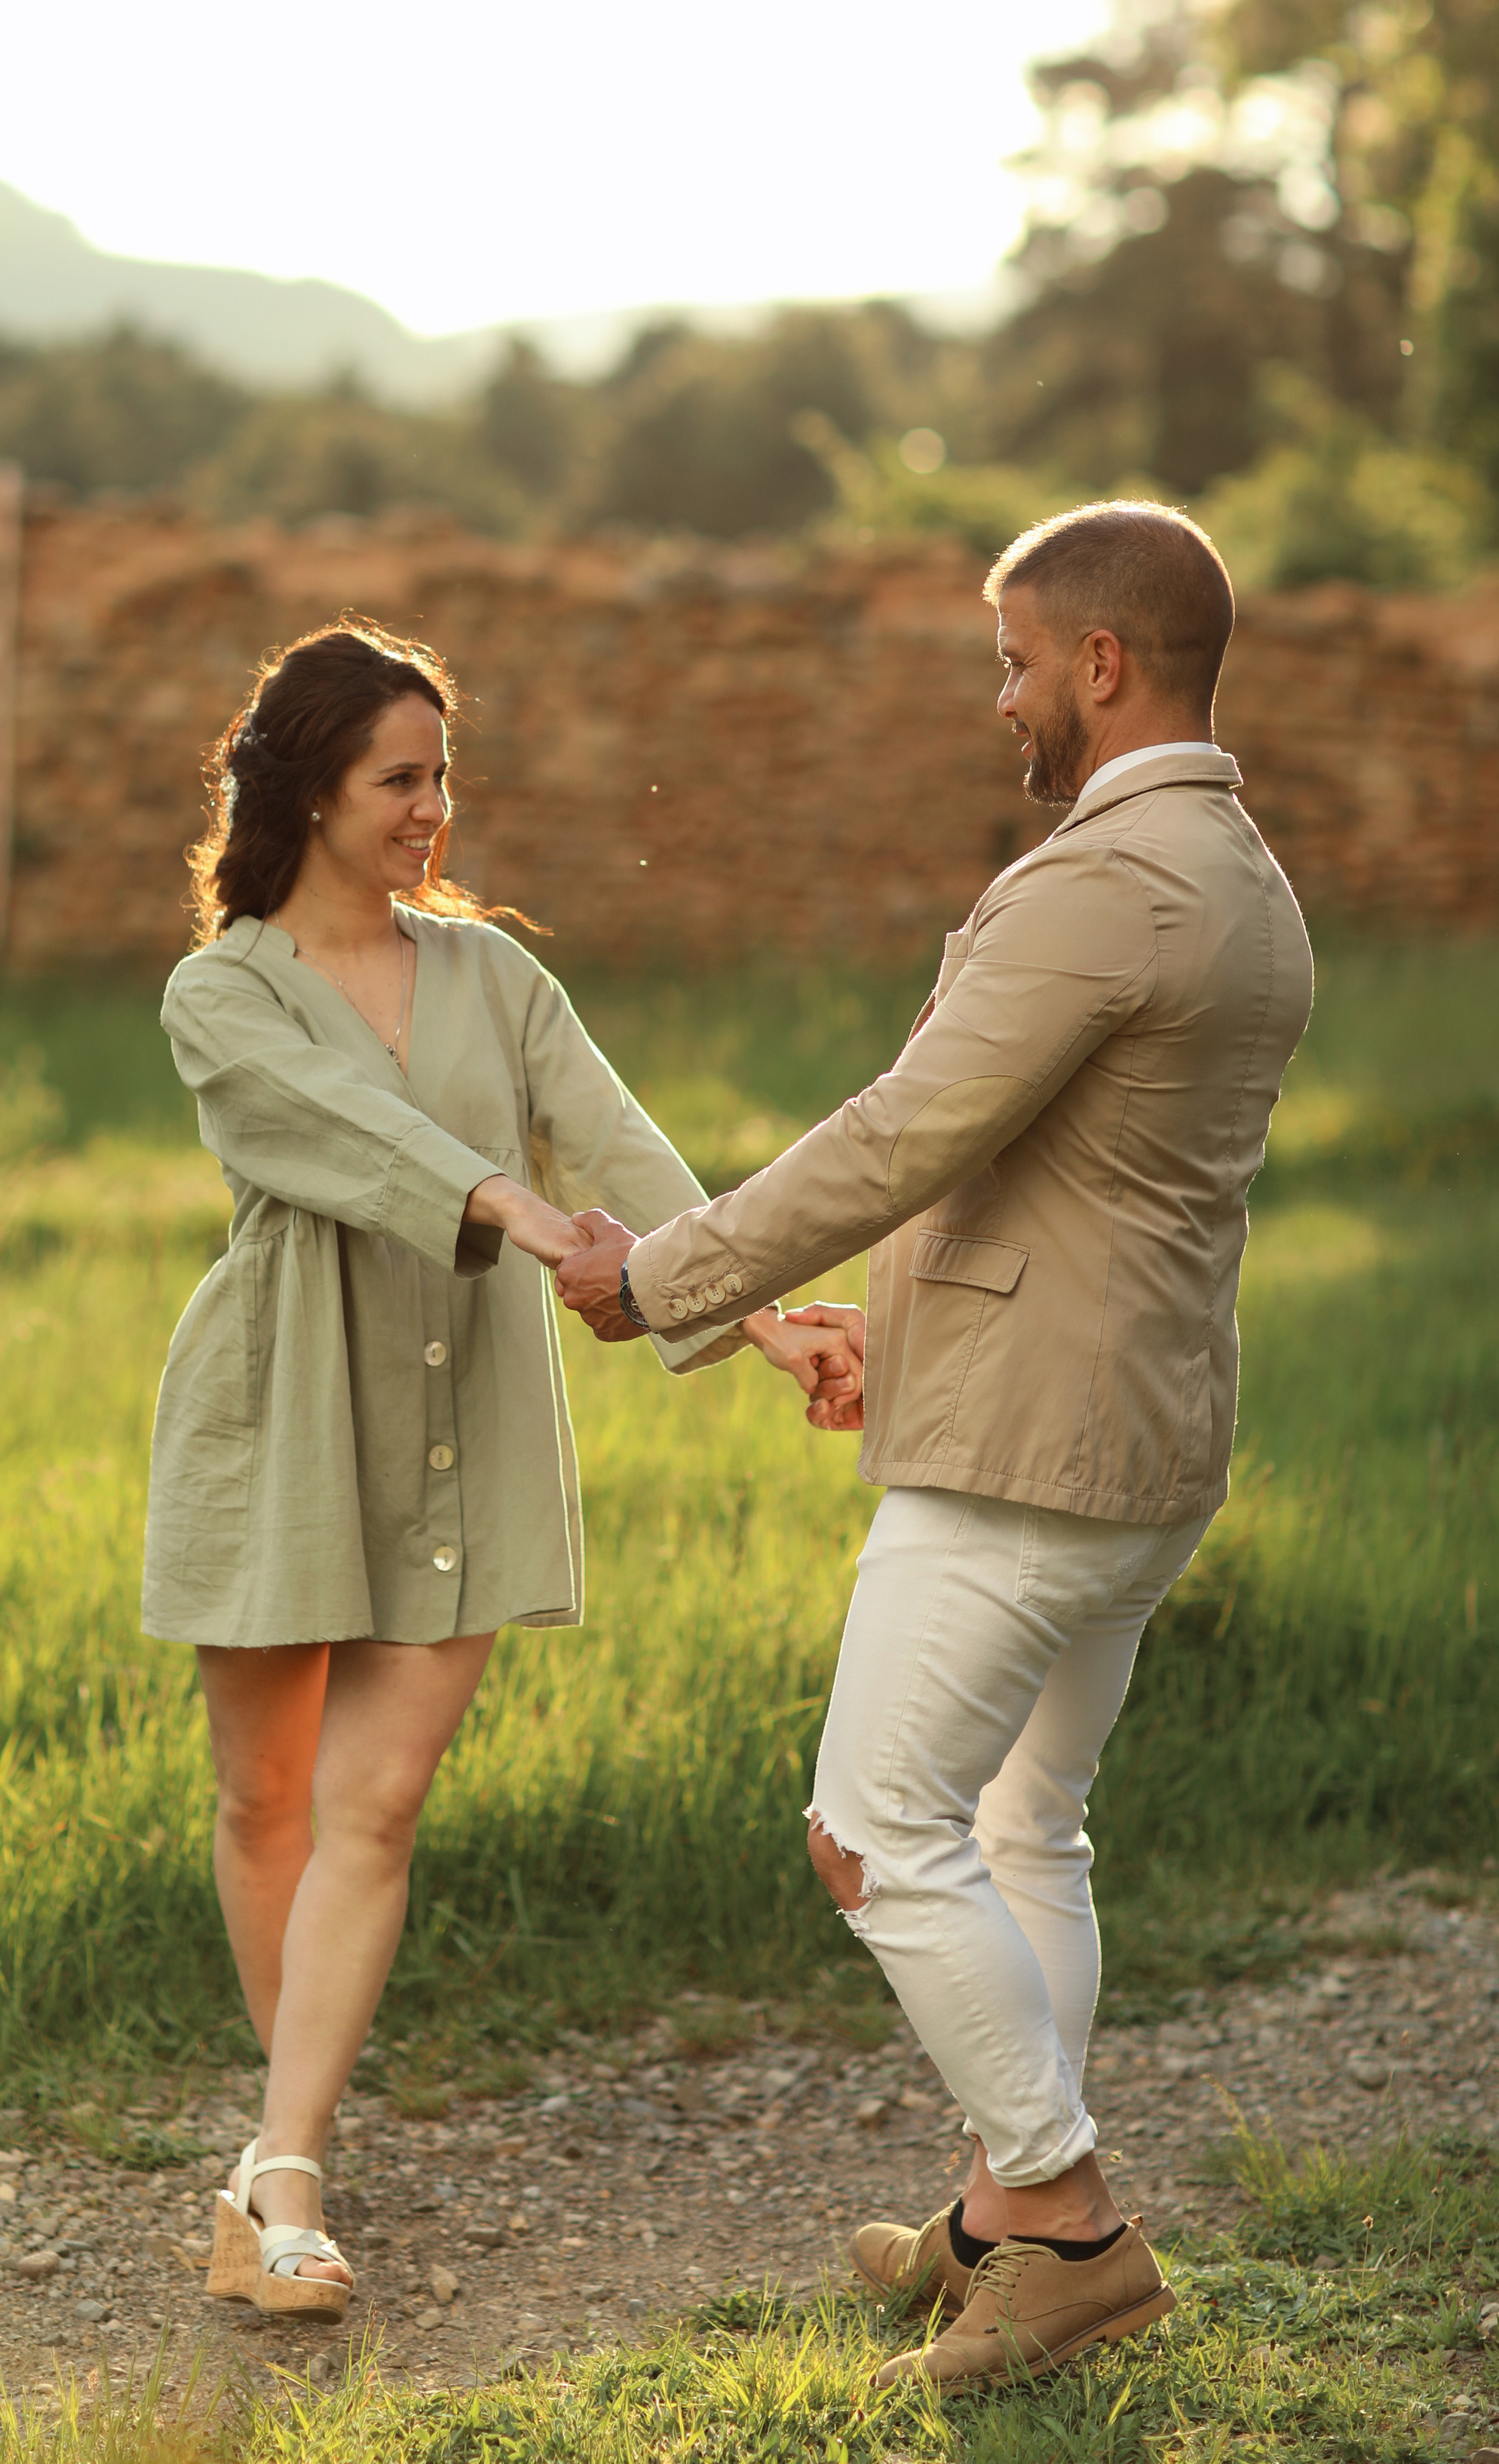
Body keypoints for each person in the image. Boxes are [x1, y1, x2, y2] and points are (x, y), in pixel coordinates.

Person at [556, 502, 1312, 2395]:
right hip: (1134, 1435)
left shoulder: (1104, 883)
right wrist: (884, 1338)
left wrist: (662, 1277)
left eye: (1015, 663)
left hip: (1023, 1468)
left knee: (872, 1831)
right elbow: (1086, 1188)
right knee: (1018, 1828)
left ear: (1100, 664)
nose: (1002, 701)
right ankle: (991, 2213)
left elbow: (905, 1134)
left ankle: (1066, 2230)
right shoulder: (1239, 876)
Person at [142, 620, 856, 2325]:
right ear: (312, 787)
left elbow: (623, 1148)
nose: (430, 811)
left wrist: (759, 1319)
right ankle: (293, 2144)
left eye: (441, 776)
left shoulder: (496, 978)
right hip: (278, 1409)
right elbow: (343, 1132)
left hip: (472, 1414)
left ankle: (283, 2175)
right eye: (399, 779)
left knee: (375, 1804)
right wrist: (519, 1214)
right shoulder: (220, 991)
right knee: (264, 1801)